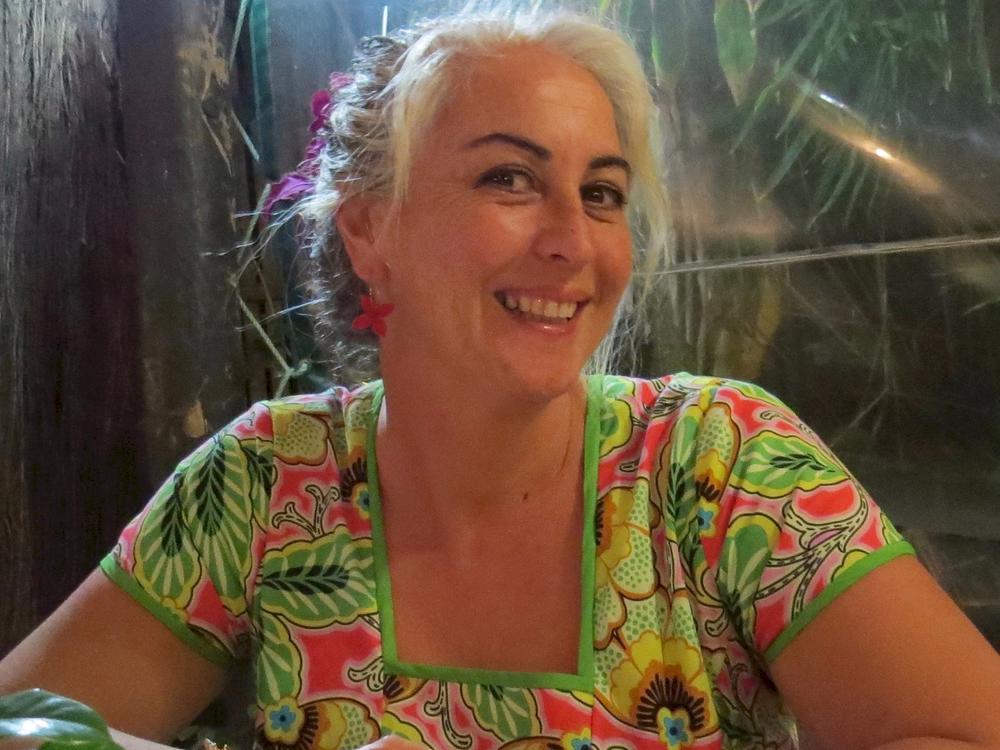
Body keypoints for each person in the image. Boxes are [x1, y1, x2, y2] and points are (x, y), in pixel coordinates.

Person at [2, 6, 1000, 750]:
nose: (573, 241)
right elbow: (29, 727)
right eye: (509, 179)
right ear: (370, 231)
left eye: (601, 193)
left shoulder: (718, 461)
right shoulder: (267, 485)